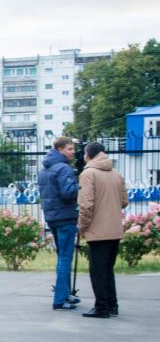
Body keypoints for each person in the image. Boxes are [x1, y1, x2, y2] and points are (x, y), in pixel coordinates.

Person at [78, 142, 128, 318]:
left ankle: (102, 307)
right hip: (115, 228)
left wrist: (82, 226)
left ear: (87, 156)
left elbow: (86, 205)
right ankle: (112, 305)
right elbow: (124, 201)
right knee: (108, 270)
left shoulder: (88, 174)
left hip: (97, 230)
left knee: (97, 271)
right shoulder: (116, 174)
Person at [37, 136, 80, 310]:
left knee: (62, 256)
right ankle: (60, 299)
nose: (73, 152)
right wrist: (81, 186)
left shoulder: (45, 168)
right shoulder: (64, 169)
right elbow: (68, 192)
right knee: (65, 258)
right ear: (60, 149)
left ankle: (64, 293)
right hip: (66, 217)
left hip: (52, 216)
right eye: (70, 149)